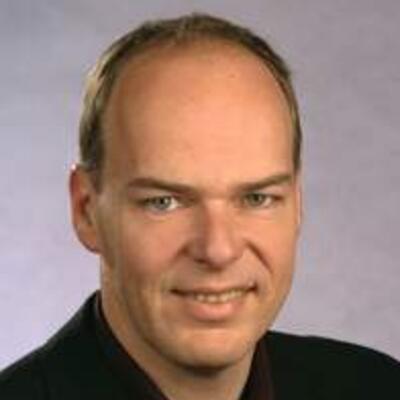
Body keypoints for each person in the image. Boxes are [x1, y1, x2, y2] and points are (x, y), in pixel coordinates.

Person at [0, 13, 398, 400]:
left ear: (297, 204)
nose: (218, 250)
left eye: (257, 198)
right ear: (86, 211)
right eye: (164, 202)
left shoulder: (377, 387)